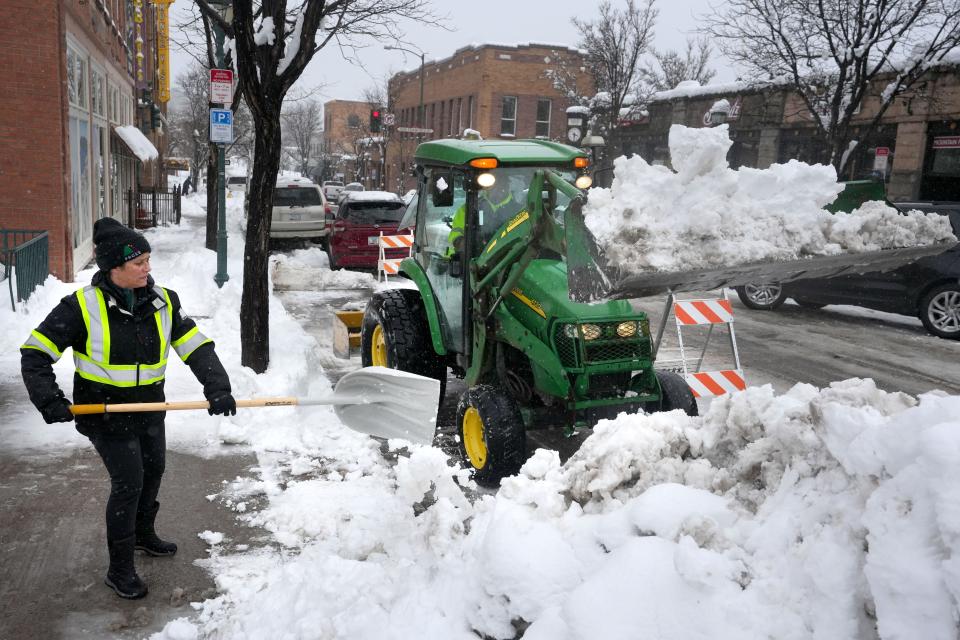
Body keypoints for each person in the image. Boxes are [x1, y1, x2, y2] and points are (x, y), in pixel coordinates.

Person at [20, 218, 236, 600]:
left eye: (148, 260)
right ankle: (119, 569)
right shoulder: (80, 307)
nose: (148, 269)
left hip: (149, 408)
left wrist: (217, 387)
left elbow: (196, 347)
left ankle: (142, 534)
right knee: (129, 483)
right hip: (103, 412)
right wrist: (49, 400)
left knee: (154, 469)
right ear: (114, 268)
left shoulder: (164, 301)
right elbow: (35, 354)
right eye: (139, 263)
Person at [446, 173, 524, 258]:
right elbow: (456, 233)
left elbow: (524, 237)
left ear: (507, 185)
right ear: (486, 187)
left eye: (501, 183)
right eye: (493, 185)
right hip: (475, 262)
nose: (497, 189)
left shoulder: (519, 211)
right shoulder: (469, 209)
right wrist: (462, 243)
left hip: (508, 262)